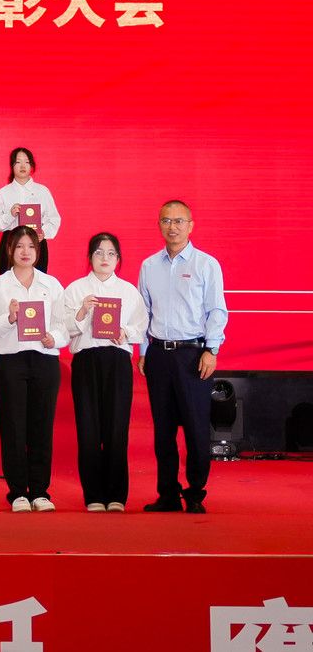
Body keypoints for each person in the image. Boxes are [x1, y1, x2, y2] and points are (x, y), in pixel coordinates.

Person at [138, 201, 227, 514]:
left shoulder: (206, 264)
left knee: (196, 427)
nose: (172, 227)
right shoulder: (149, 266)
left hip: (193, 354)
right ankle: (167, 495)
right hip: (159, 354)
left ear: (191, 225)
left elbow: (216, 310)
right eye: (166, 221)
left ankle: (195, 492)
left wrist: (211, 350)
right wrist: (143, 351)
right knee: (163, 430)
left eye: (178, 221)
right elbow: (143, 312)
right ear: (159, 225)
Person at [0, 227, 67, 512]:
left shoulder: (51, 284)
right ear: (9, 250)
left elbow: (63, 324)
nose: (25, 252)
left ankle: (40, 491)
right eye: (19, 246)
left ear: (38, 251)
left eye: (31, 246)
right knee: (13, 427)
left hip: (45, 360)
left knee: (41, 427)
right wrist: (9, 318)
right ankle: (18, 491)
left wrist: (54, 338)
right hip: (10, 361)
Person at [64, 232, 147, 512]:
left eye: (111, 253)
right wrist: (81, 311)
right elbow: (63, 328)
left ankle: (116, 496)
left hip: (117, 362)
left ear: (118, 259)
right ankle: (94, 495)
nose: (104, 258)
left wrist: (125, 332)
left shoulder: (128, 291)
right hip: (86, 360)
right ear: (90, 257)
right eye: (99, 252)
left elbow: (141, 325)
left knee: (116, 427)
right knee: (88, 428)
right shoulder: (76, 289)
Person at [0, 147, 62, 274]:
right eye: (18, 162)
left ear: (32, 166)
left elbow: (54, 218)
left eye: (27, 162)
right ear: (12, 166)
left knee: (37, 280)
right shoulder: (3, 193)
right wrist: (10, 215)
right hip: (11, 242)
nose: (23, 166)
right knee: (8, 281)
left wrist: (43, 233)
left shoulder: (42, 191)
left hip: (36, 242)